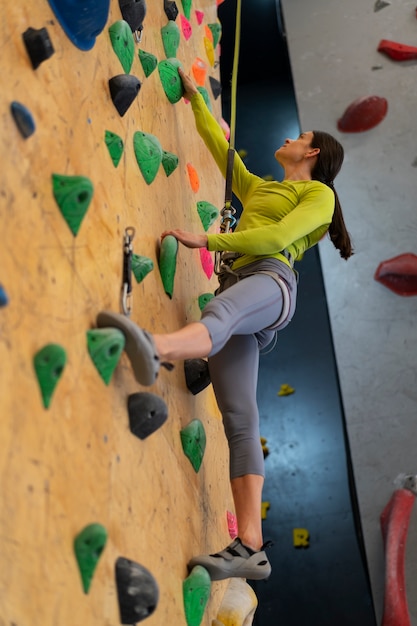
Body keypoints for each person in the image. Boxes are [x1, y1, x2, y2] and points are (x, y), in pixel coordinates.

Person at [97, 68, 353, 582]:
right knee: (239, 416)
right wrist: (195, 99)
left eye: (298, 138)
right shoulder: (260, 187)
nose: (288, 138)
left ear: (312, 156)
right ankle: (250, 549)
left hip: (271, 282)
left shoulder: (318, 197)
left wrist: (207, 242)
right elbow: (222, 150)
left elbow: (274, 238)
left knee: (223, 314)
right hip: (242, 286)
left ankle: (155, 346)